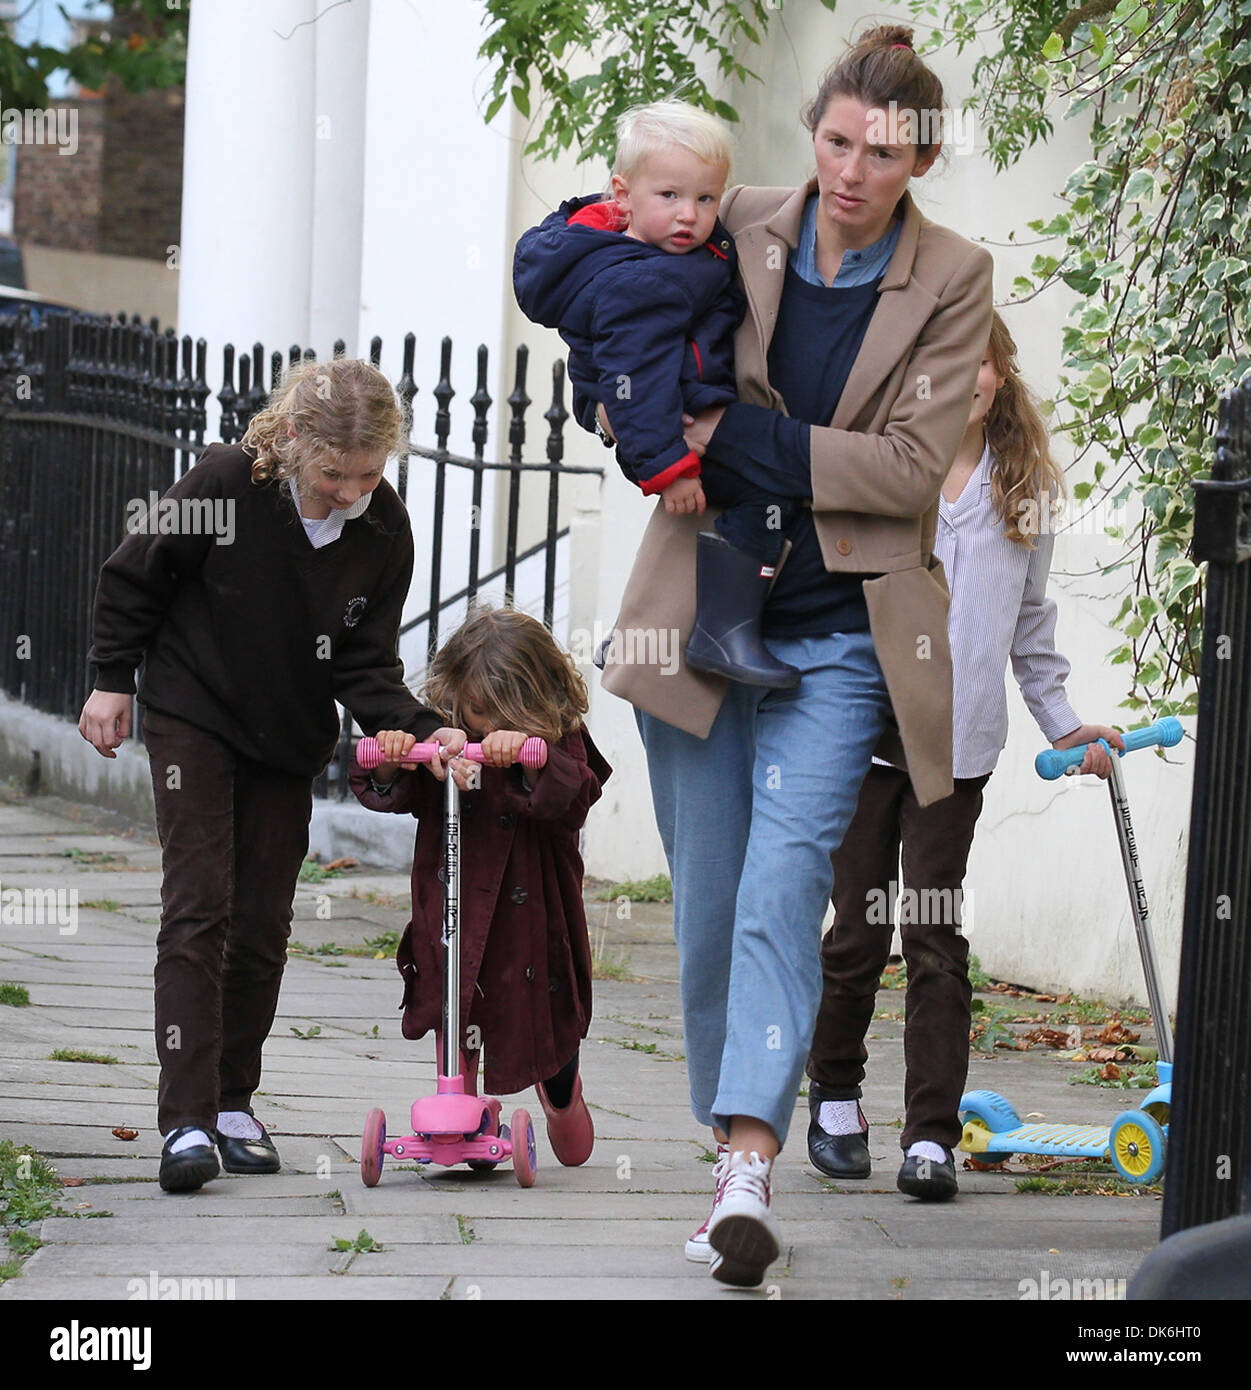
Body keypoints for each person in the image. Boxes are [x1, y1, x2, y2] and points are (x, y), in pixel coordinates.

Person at [600, 24, 998, 1287]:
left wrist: (725, 433)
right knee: (712, 908)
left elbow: (905, 473)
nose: (850, 171)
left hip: (839, 636)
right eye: (836, 140)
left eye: (882, 153)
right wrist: (620, 392)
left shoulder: (953, 276)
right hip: (703, 616)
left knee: (787, 888)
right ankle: (726, 1132)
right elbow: (591, 288)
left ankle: (746, 1170)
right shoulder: (734, 218)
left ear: (920, 157)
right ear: (813, 133)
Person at [78, 358, 463, 1193]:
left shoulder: (382, 527)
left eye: (368, 474)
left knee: (261, 922)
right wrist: (112, 678)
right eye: (334, 473)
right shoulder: (225, 481)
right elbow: (132, 573)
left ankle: (230, 1104)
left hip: (286, 737)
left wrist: (424, 732)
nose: (350, 490)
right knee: (199, 908)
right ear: (292, 440)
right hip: (194, 711)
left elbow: (365, 664)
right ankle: (183, 1123)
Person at [805, 311, 1125, 1200]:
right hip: (866, 743)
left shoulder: (1020, 489)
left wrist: (1062, 723)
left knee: (934, 935)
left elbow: (1028, 624)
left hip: (958, 751)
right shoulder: (883, 475)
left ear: (998, 373)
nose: (963, 381)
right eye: (942, 366)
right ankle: (833, 1094)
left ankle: (930, 1139)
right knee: (859, 933)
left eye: (977, 364)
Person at [514, 100, 801, 688]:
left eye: (705, 199)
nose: (690, 216)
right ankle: (725, 631)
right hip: (663, 425)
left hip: (671, 410)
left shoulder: (654, 249)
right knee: (766, 489)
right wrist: (670, 468)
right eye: (669, 196)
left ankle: (677, 627)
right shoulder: (643, 278)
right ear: (622, 196)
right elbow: (636, 380)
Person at [349, 606, 611, 1165]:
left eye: (502, 713)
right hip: (454, 914)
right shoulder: (445, 739)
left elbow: (576, 796)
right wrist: (398, 761)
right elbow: (395, 792)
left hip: (532, 925)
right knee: (454, 1004)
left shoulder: (558, 741)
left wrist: (526, 760)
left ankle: (562, 1097)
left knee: (546, 1023)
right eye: (476, 709)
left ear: (536, 699)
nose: (486, 726)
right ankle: (459, 1113)